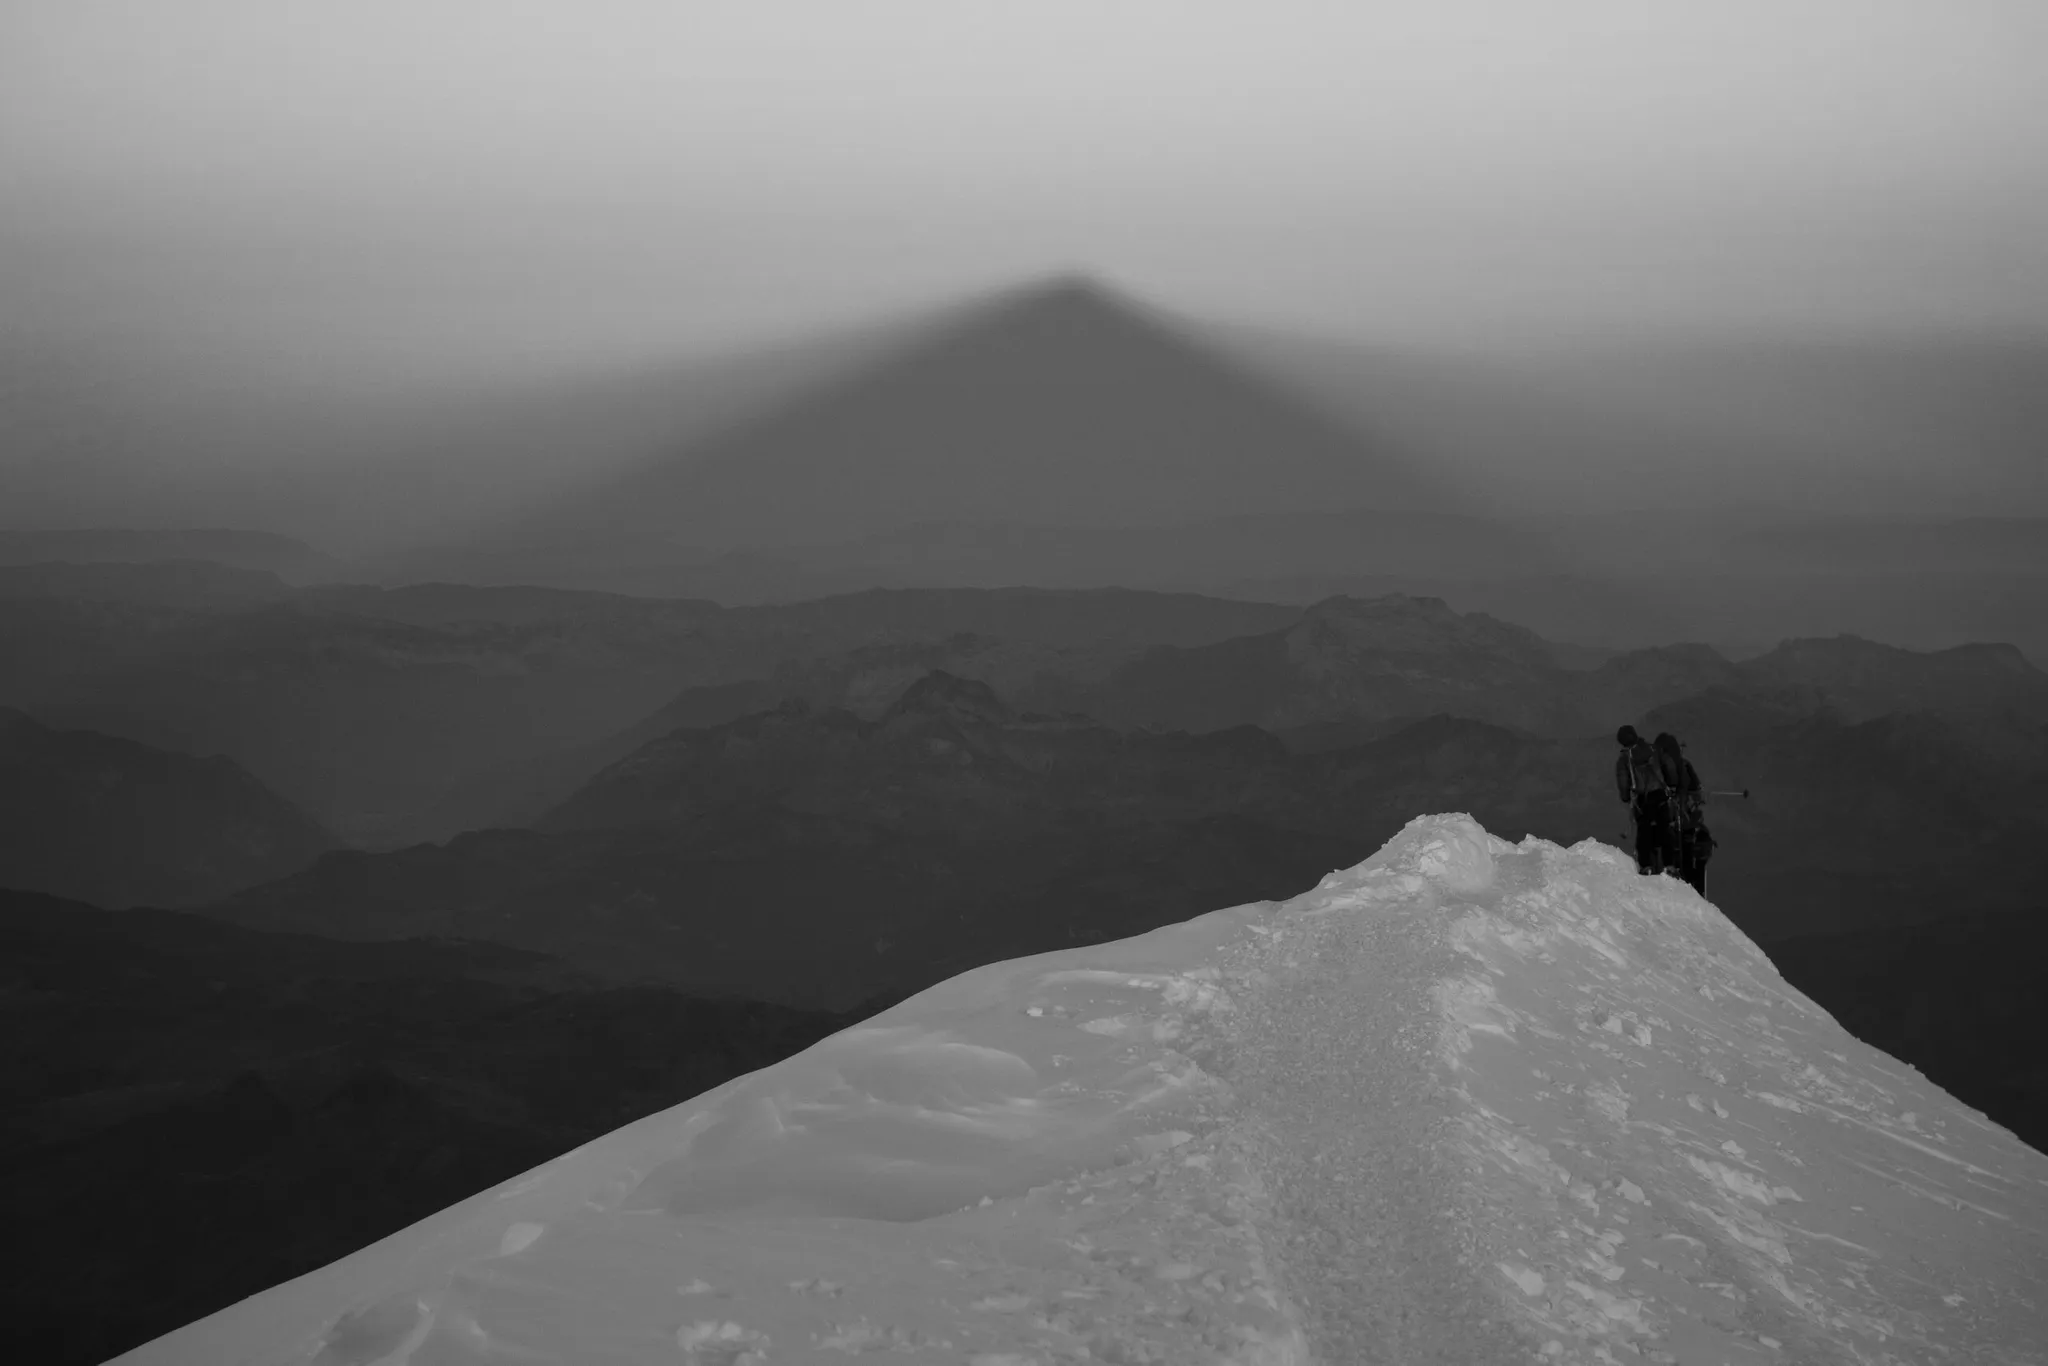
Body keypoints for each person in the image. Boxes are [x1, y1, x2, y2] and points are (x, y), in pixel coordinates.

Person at [1655, 730, 1714, 895]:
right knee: (1687, 851)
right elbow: (1697, 792)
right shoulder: (1685, 765)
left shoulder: (1657, 768)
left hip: (1668, 820)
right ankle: (1692, 886)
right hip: (1686, 821)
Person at [1613, 724, 1671, 876]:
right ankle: (1670, 864)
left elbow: (1623, 781)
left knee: (1644, 832)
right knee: (1664, 828)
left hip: (1642, 800)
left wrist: (1626, 797)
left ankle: (1646, 866)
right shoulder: (1653, 749)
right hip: (1660, 794)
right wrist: (1671, 785)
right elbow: (1669, 767)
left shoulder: (1624, 759)